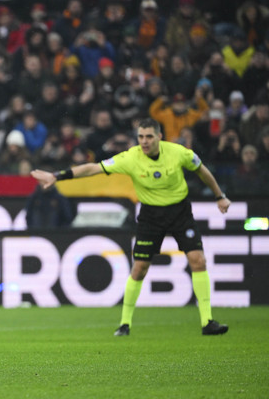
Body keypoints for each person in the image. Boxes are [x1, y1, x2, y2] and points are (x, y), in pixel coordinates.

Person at [31, 118, 230, 337]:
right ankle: (124, 324)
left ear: (159, 137)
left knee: (197, 260)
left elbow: (202, 170)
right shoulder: (130, 157)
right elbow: (93, 168)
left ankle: (207, 321)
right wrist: (56, 176)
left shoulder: (179, 153)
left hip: (179, 212)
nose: (144, 142)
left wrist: (219, 196)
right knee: (140, 268)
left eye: (149, 137)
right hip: (150, 215)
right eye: (141, 137)